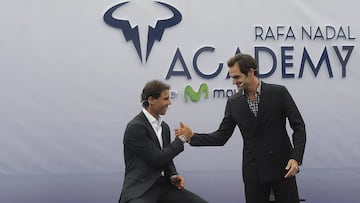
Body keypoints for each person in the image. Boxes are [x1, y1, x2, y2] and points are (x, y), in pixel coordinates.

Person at [176, 53, 306, 203]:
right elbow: (221, 136)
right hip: (254, 173)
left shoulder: (279, 93)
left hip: (283, 169)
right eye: (232, 77)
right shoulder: (234, 102)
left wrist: (296, 158)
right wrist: (192, 136)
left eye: (237, 77)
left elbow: (299, 127)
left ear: (251, 72)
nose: (233, 82)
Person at [119, 80, 207, 203]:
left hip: (162, 186)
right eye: (165, 99)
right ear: (151, 100)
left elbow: (166, 159)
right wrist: (182, 139)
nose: (169, 103)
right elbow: (157, 158)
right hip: (140, 190)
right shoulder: (135, 127)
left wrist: (172, 176)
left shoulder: (164, 127)